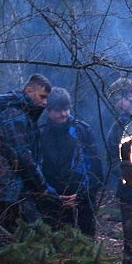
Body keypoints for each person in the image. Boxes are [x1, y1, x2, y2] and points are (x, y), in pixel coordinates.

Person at [0, 73, 54, 236]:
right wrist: (41, 185)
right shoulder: (14, 115)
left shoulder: (23, 115)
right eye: (42, 97)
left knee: (16, 240)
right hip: (13, 190)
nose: (45, 103)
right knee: (26, 238)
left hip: (15, 188)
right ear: (29, 91)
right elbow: (22, 156)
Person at [37, 87, 105, 237]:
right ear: (48, 110)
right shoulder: (39, 133)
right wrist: (53, 197)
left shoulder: (83, 131)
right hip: (50, 205)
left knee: (84, 249)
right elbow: (36, 170)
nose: (64, 114)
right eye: (58, 110)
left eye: (66, 109)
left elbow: (96, 170)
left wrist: (81, 196)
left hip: (82, 205)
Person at [106, 78, 132, 264]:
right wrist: (126, 175)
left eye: (117, 99)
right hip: (129, 193)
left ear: (129, 96)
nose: (116, 105)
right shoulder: (117, 127)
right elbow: (112, 158)